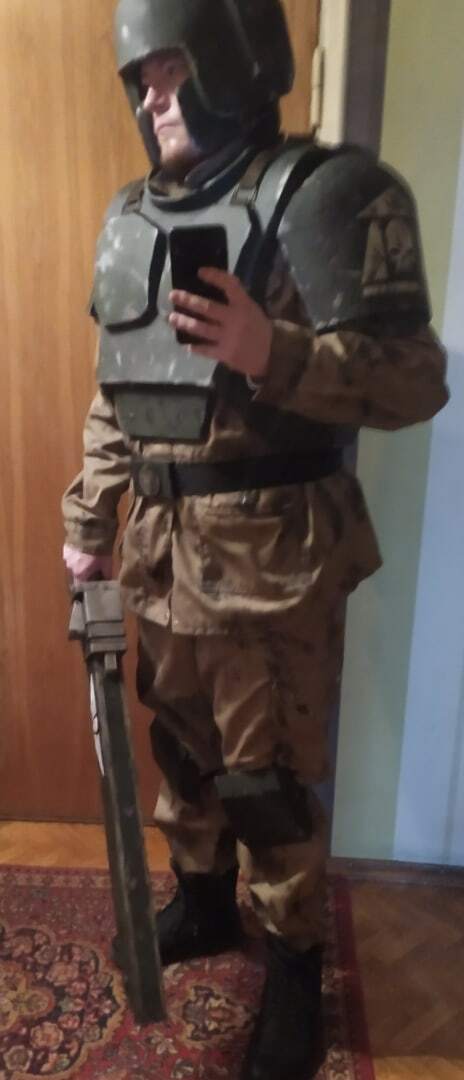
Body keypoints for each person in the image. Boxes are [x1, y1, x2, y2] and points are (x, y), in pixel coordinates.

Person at [62, 2, 449, 1076]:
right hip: (159, 557)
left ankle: (290, 967)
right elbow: (117, 393)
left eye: (170, 69)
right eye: (141, 78)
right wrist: (88, 520)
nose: (151, 96)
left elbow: (416, 380)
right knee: (184, 754)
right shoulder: (133, 217)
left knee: (266, 782)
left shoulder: (329, 192)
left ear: (233, 63)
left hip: (272, 569)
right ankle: (203, 902)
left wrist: (270, 350)